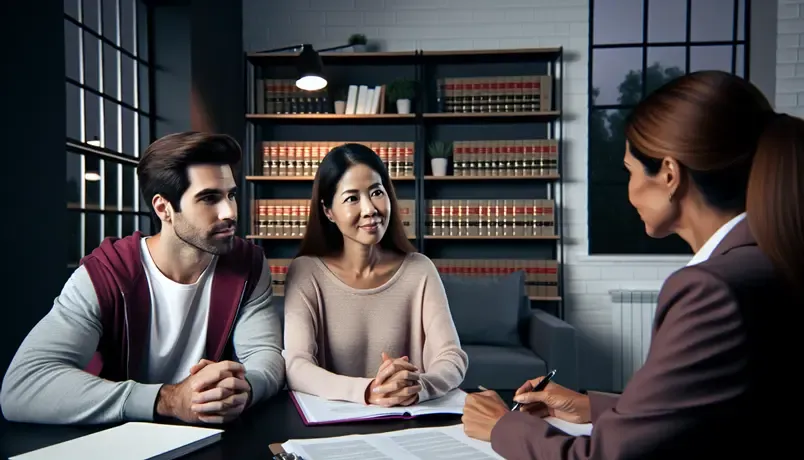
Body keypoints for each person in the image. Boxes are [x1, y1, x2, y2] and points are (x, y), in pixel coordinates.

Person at [462, 70, 802, 458]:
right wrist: (590, 406)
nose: (628, 191)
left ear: (670, 175)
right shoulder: (767, 260)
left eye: (630, 171)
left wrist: (502, 425)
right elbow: (720, 412)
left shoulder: (712, 289)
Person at [0, 132, 285, 425]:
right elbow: (23, 387)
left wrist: (243, 389)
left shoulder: (247, 262)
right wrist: (170, 399)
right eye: (209, 198)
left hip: (213, 438)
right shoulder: (106, 273)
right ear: (163, 208)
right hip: (121, 442)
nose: (230, 212)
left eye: (231, 195)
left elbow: (266, 356)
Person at [282, 143, 468, 407]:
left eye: (376, 192)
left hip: (408, 419)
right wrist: (369, 390)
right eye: (352, 198)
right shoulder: (306, 273)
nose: (370, 209)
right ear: (328, 211)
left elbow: (451, 356)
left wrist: (418, 387)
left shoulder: (420, 269)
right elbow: (296, 365)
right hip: (334, 426)